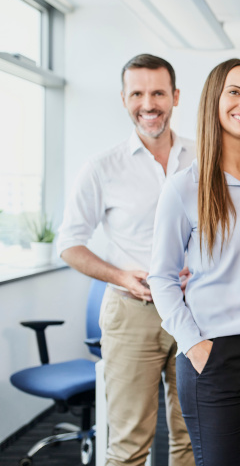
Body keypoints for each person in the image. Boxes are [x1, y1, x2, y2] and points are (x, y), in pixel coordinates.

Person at [147, 58, 240, 466]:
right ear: (214, 100)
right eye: (235, 92)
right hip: (215, 356)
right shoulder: (184, 187)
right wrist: (195, 346)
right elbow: (160, 277)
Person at [56, 54, 195, 466]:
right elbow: (69, 243)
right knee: (129, 444)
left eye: (157, 92)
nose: (148, 104)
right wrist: (119, 275)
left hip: (196, 310)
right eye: (137, 93)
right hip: (134, 312)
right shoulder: (102, 168)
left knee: (192, 438)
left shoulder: (204, 157)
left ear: (175, 97)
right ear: (123, 99)